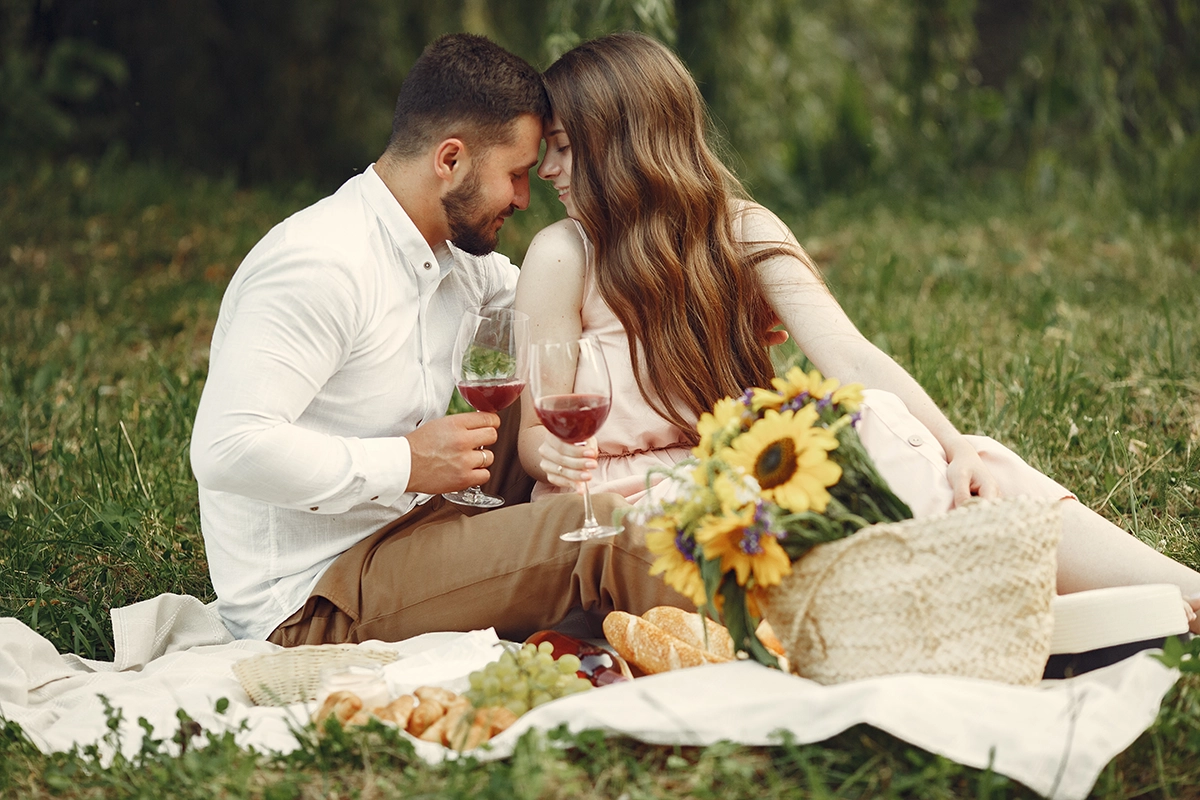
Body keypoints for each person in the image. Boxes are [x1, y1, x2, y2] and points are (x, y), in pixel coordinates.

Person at [513, 32, 1200, 631]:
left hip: (733, 473)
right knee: (861, 475)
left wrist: (957, 445)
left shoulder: (740, 231)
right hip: (623, 510)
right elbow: (534, 434)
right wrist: (555, 457)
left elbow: (848, 354)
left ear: (625, 145)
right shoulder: (561, 256)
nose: (546, 170)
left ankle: (1176, 593)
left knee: (951, 458)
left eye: (565, 149)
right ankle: (1059, 610)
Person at [189, 33, 691, 646]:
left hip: (415, 520)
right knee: (599, 535)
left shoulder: (457, 260)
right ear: (450, 160)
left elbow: (570, 314)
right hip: (317, 593)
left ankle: (705, 506)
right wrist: (408, 462)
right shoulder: (320, 265)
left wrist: (717, 297)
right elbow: (226, 449)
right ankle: (764, 629)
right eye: (515, 174)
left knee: (552, 387)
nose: (525, 198)